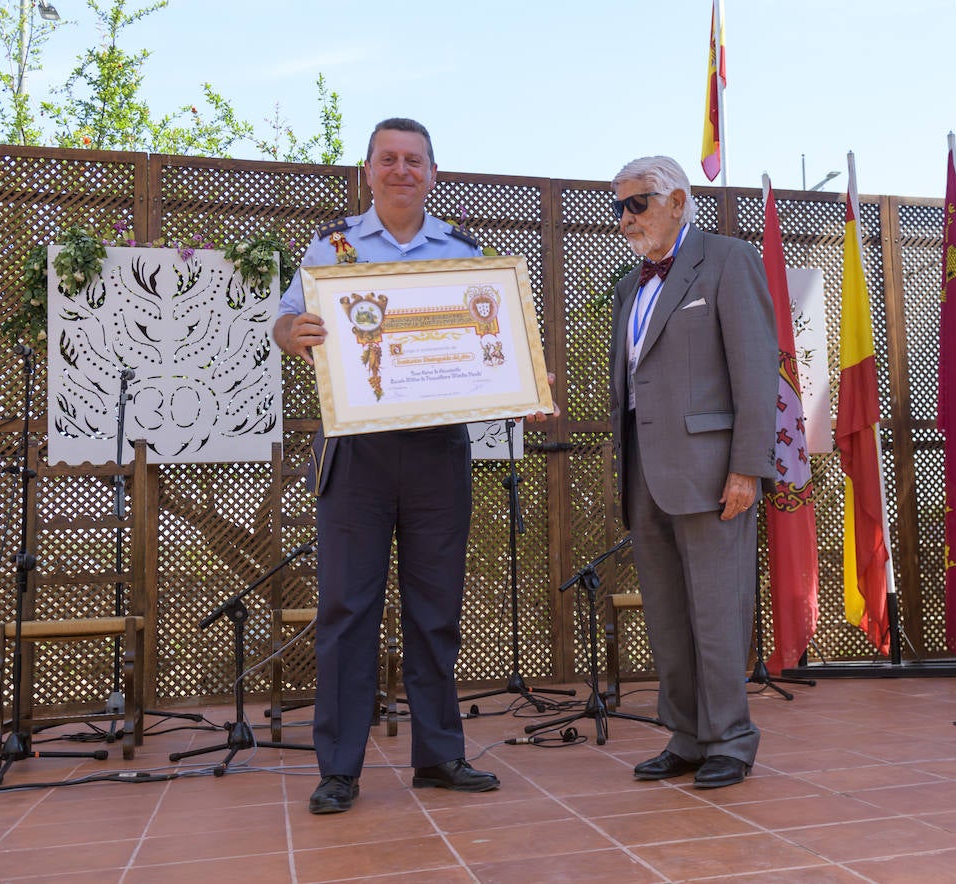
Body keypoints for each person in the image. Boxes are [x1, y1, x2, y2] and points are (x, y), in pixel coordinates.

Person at [275, 117, 544, 814]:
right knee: (345, 612)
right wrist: (290, 330)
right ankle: (338, 769)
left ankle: (440, 757)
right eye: (388, 159)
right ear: (367, 170)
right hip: (355, 454)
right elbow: (285, 321)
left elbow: (497, 341)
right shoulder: (331, 248)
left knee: (435, 613)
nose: (401, 170)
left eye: (414, 161)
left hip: (437, 451)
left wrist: (517, 384)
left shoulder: (463, 251)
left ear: (432, 173)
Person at [607, 156, 778, 789]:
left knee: (717, 612)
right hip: (644, 475)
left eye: (639, 202)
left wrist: (747, 468)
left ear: (678, 200)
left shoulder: (728, 260)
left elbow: (757, 372)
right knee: (669, 615)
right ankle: (685, 737)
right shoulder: (631, 287)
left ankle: (731, 739)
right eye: (619, 205)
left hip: (712, 475)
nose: (627, 217)